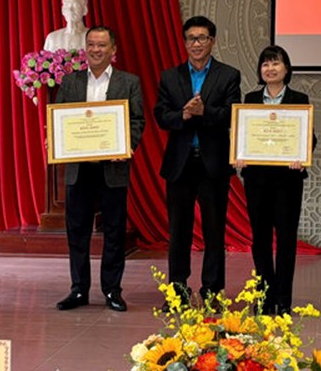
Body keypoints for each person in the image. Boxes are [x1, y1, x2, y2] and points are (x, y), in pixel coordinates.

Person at [55, 25, 144, 312]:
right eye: (91, 44)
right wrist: (55, 138)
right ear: (85, 48)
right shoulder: (70, 82)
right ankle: (79, 289)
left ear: (113, 50)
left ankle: (112, 290)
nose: (95, 50)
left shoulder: (128, 82)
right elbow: (60, 119)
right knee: (77, 230)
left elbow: (137, 121)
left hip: (113, 168)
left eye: (102, 45)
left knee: (114, 232)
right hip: (79, 169)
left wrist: (127, 145)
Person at [154, 16, 241, 308]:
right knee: (178, 232)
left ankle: (212, 292)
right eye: (191, 38)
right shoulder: (170, 76)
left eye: (202, 38)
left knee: (214, 232)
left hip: (212, 164)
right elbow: (160, 116)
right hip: (180, 164)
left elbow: (231, 115)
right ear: (185, 42)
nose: (196, 44)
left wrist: (205, 112)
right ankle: (177, 292)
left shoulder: (229, 75)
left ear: (212, 41)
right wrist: (184, 115)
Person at [236, 45, 316, 316]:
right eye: (265, 64)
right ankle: (264, 296)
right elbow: (241, 135)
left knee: (285, 240)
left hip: (288, 180)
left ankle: (283, 299)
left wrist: (301, 156)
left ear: (286, 68)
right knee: (259, 239)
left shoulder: (299, 98)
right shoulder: (250, 99)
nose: (270, 68)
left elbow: (309, 138)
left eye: (275, 63)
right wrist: (240, 154)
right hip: (257, 179)